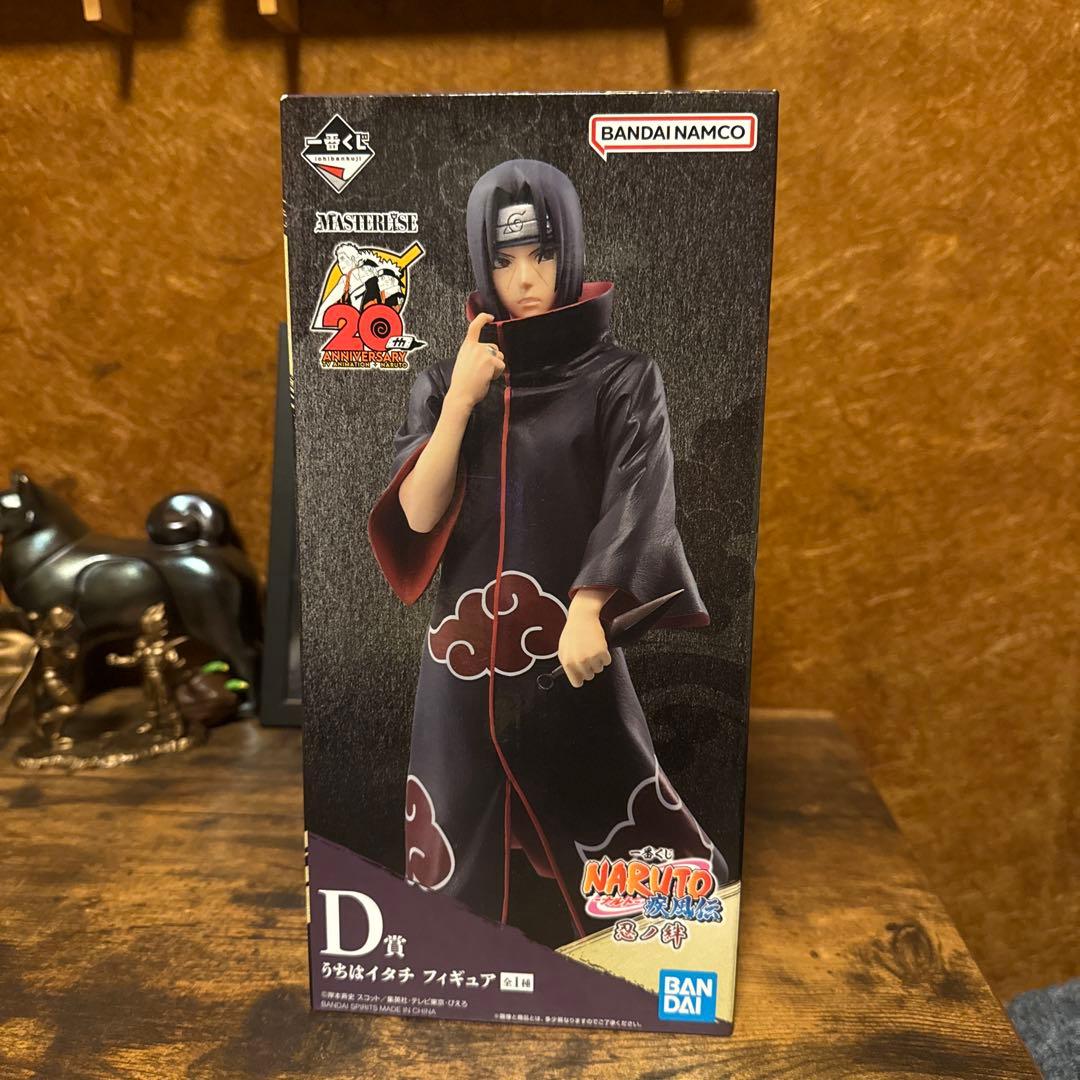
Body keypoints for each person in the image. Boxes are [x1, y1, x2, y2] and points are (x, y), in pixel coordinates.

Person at [369, 159, 726, 942]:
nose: (525, 279)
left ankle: (669, 949)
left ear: (571, 253)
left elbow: (637, 495)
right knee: (453, 838)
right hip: (462, 662)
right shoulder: (443, 382)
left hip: (566, 649)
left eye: (543, 254)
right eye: (503, 260)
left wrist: (590, 606)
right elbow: (418, 513)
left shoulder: (622, 378)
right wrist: (460, 402)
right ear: (480, 263)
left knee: (620, 810)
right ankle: (458, 967)